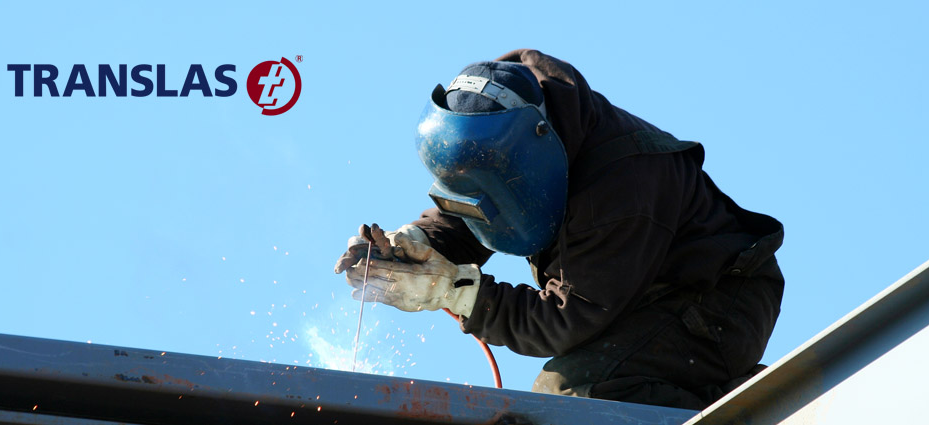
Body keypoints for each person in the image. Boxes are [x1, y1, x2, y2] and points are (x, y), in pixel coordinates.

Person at [334, 49, 784, 411]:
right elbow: (482, 199)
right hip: (630, 289)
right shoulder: (507, 107)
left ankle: (721, 402)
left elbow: (565, 318)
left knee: (569, 400)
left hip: (715, 302)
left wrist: (455, 292)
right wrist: (416, 241)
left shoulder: (621, 189)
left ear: (533, 149)